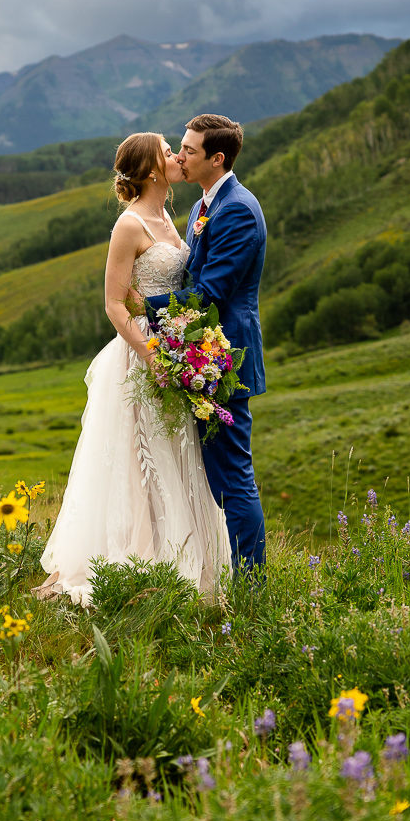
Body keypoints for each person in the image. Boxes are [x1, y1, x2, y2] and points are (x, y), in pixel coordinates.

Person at [34, 131, 231, 606]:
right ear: (149, 172)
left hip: (172, 346)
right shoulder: (129, 225)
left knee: (178, 455)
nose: (177, 156)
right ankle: (137, 561)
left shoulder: (168, 217)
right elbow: (114, 303)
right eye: (168, 151)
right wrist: (152, 355)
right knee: (140, 462)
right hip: (142, 354)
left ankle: (181, 561)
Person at [143, 114, 267, 570]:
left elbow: (209, 293)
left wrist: (143, 304)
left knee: (234, 479)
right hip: (200, 356)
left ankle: (253, 588)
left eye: (189, 151)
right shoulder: (203, 205)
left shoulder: (236, 208)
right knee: (216, 478)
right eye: (180, 147)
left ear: (217, 158)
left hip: (225, 360)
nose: (179, 156)